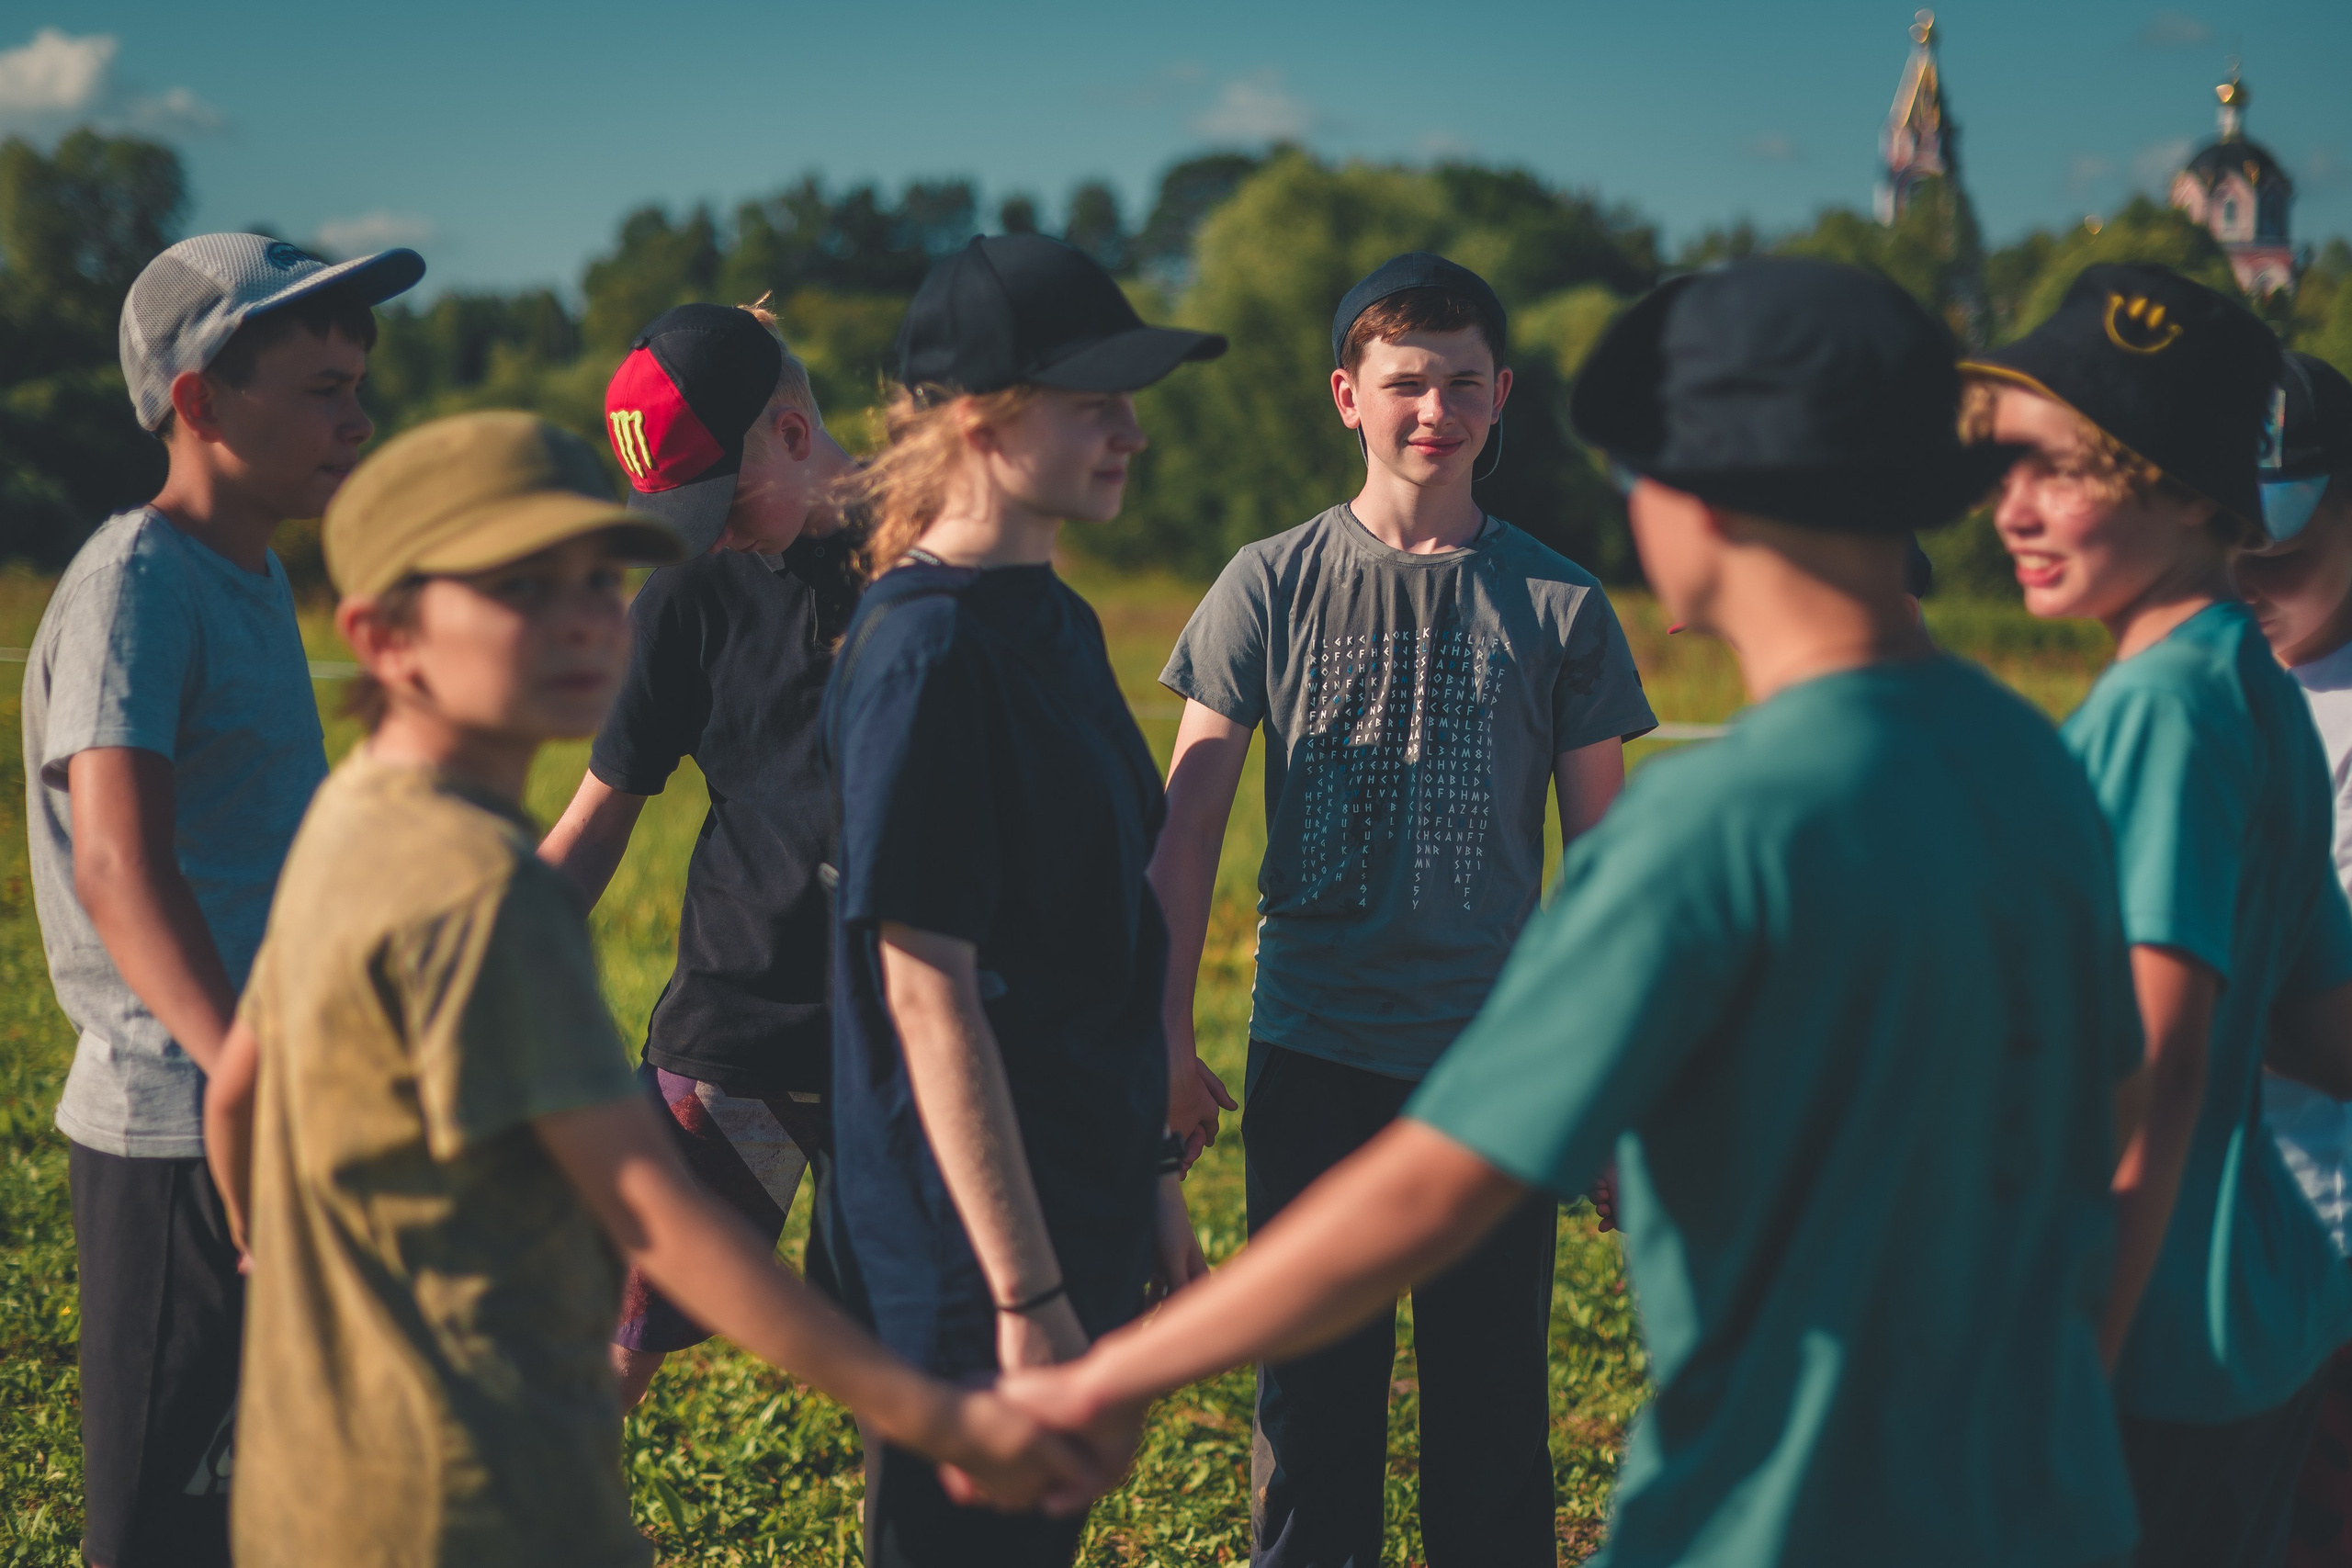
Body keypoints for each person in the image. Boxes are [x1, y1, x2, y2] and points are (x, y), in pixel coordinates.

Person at [989, 258, 2148, 1568]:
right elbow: (2115, 1121)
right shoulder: (2038, 759)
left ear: (1690, 504)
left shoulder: (1709, 826)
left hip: (1779, 1510)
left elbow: (1434, 1184)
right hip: (2038, 1487)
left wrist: (1105, 1372)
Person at [199, 411, 1097, 1568]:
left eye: (596, 578)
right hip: (480, 1498)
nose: (583, 619)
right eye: (520, 588)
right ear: (384, 639)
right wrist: (934, 1412)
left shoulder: (355, 816)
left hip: (319, 1477)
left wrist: (278, 1245)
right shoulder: (488, 895)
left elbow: (238, 1089)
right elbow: (656, 1215)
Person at [1150, 251, 1654, 1566]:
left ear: (1504, 400)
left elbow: (1604, 864)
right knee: (1311, 1404)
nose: (1434, 411)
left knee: (1491, 1412)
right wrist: (1162, 1033)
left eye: (1463, 385)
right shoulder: (1267, 582)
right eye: (1405, 383)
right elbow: (1185, 827)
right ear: (1346, 395)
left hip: (1499, 1067)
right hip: (1313, 1047)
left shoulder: (1562, 603)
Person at [820, 233, 1225, 1567]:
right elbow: (927, 992)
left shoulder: (1049, 614)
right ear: (985, 423)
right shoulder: (924, 651)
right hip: (969, 1265)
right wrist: (1024, 1291)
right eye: (1092, 400)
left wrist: (1144, 1174)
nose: (1132, 432)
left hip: (1072, 1198)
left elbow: (1097, 931)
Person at [21, 231, 421, 1567]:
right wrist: (246, 1065)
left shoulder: (246, 574)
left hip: (268, 1109)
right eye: (318, 386)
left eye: (358, 382)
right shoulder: (138, 579)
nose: (355, 416)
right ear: (195, 401)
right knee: (159, 1522)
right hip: (179, 1129)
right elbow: (117, 864)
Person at [1964, 264, 2352, 1567]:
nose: (2014, 509)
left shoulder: (2159, 710)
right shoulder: (2255, 679)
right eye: (2013, 466)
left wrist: (2068, 1374)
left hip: (2146, 1344)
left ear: (2193, 489)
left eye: (2067, 472)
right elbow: (2320, 1025)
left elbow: (2156, 1068)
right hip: (2263, 1317)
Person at [539, 299, 861, 1407]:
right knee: (615, 1337)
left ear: (790, 431)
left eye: (717, 502)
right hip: (738, 1034)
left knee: (917, 1369)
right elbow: (595, 818)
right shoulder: (687, 588)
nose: (709, 533)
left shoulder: (938, 566)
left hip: (918, 1041)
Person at [2230, 349, 2352, 1567]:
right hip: (2215, 1240)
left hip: (2324, 1239)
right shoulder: (2216, 688)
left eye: (2284, 538)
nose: (2249, 570)